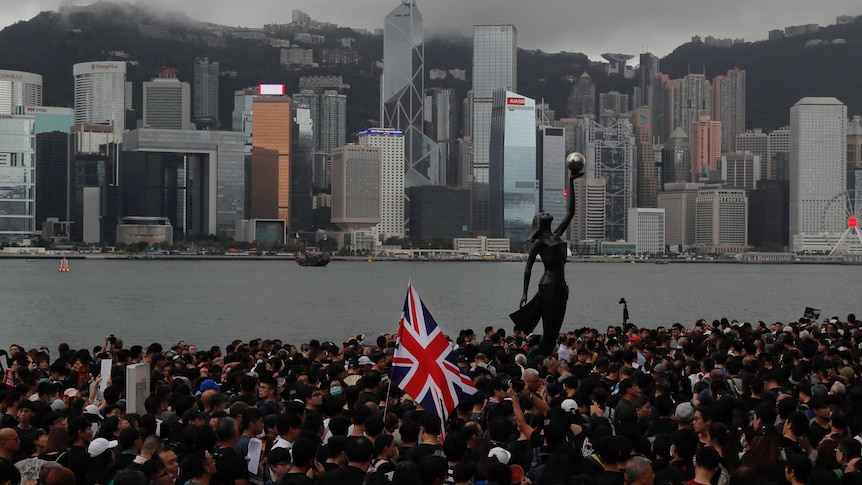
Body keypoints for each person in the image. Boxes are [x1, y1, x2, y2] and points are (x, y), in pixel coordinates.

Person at [510, 153, 585, 357]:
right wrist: (525, 293)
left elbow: (571, 212)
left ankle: (541, 358)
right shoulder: (539, 243)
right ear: (539, 222)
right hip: (548, 286)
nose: (545, 212)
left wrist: (571, 182)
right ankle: (539, 359)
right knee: (550, 330)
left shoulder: (557, 235)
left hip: (561, 286)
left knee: (554, 329)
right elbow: (528, 268)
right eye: (542, 213)